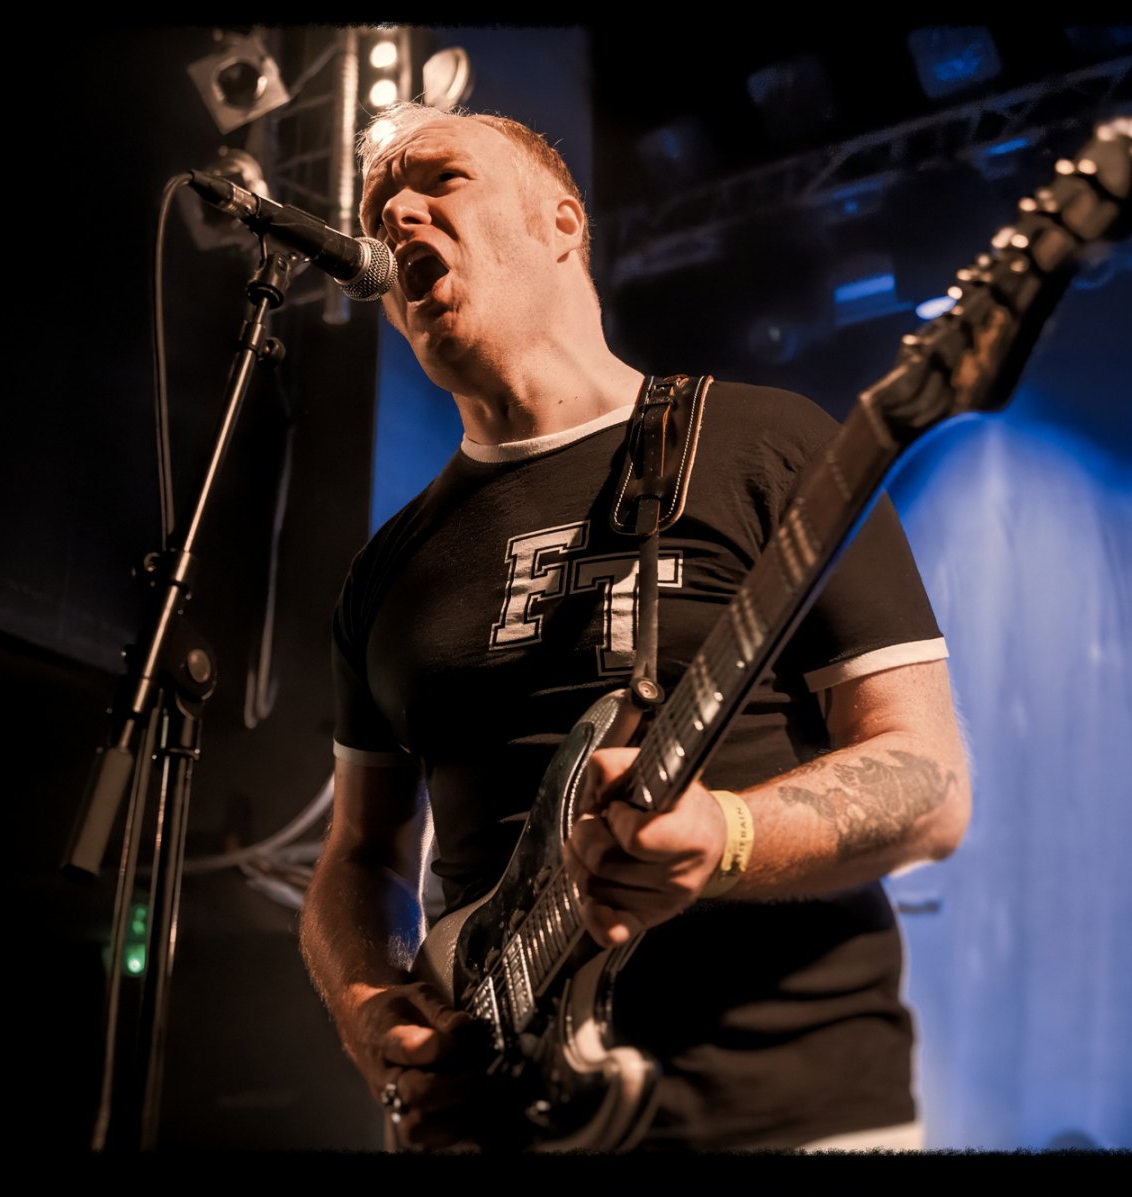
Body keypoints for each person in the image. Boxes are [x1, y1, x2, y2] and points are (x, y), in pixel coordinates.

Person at [297, 101, 971, 1153]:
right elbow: (360, 856)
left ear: (562, 223)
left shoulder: (764, 445)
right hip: (506, 1123)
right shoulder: (386, 571)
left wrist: (729, 836)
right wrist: (374, 1011)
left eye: (440, 180)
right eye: (379, 205)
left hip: (783, 1110)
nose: (395, 214)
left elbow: (927, 780)